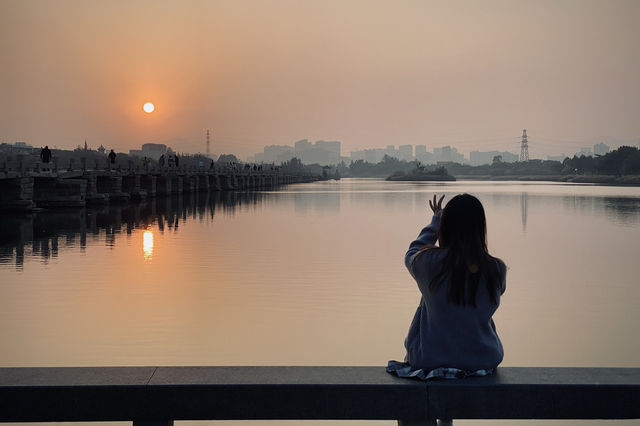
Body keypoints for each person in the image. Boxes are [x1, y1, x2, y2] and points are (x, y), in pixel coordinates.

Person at [389, 194, 506, 426]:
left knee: (411, 400)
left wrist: (435, 221)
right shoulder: (496, 269)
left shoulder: (428, 264)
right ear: (480, 228)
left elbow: (412, 252)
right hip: (481, 363)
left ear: (446, 228)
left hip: (431, 362)